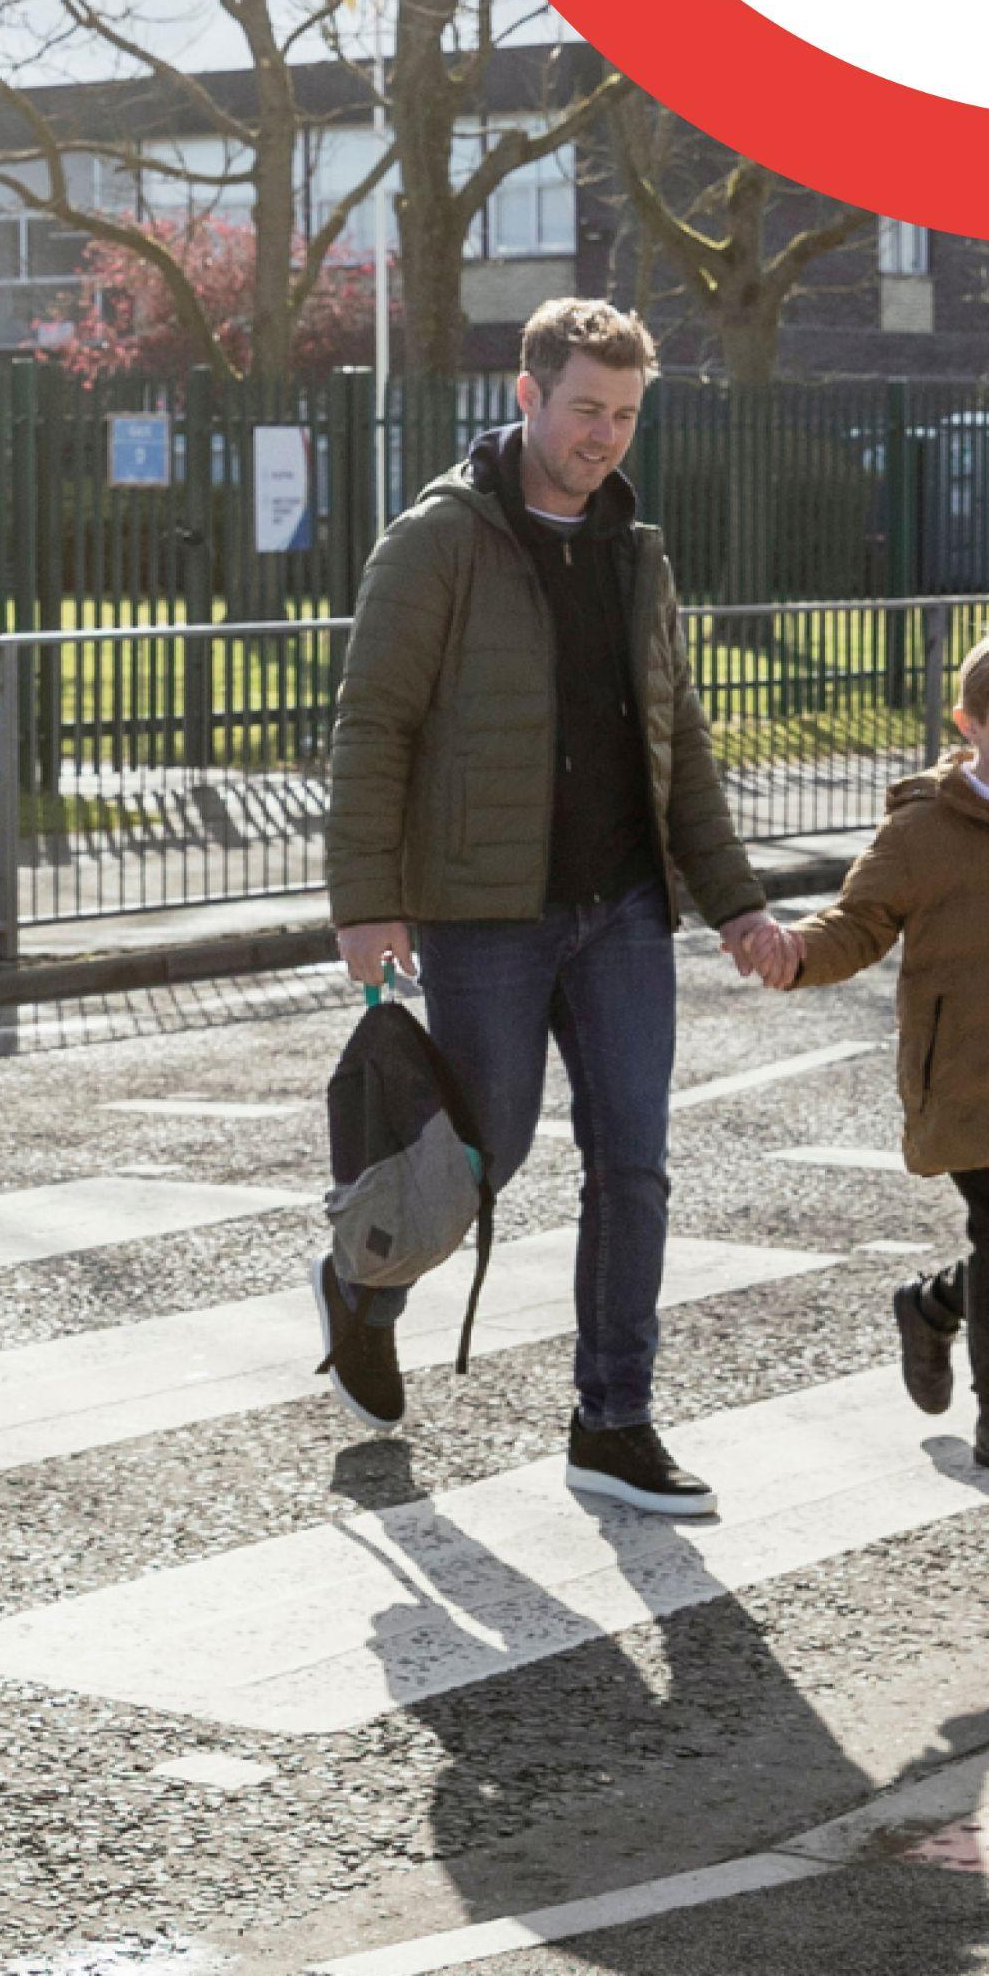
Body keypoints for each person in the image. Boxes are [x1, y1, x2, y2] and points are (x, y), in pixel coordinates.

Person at [319, 298, 769, 1515]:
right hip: (484, 910)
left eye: (624, 415)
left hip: (621, 906)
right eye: (585, 409)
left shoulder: (636, 550)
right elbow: (372, 727)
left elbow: (681, 742)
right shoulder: (437, 541)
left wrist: (731, 901)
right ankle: (363, 1281)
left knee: (635, 1163)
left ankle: (612, 1419)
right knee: (484, 1151)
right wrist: (366, 899)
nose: (604, 437)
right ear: (525, 395)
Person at [723, 628, 989, 1486]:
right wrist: (794, 955)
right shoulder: (924, 829)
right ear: (970, 724)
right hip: (965, 1074)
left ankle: (931, 1306)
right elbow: (858, 923)